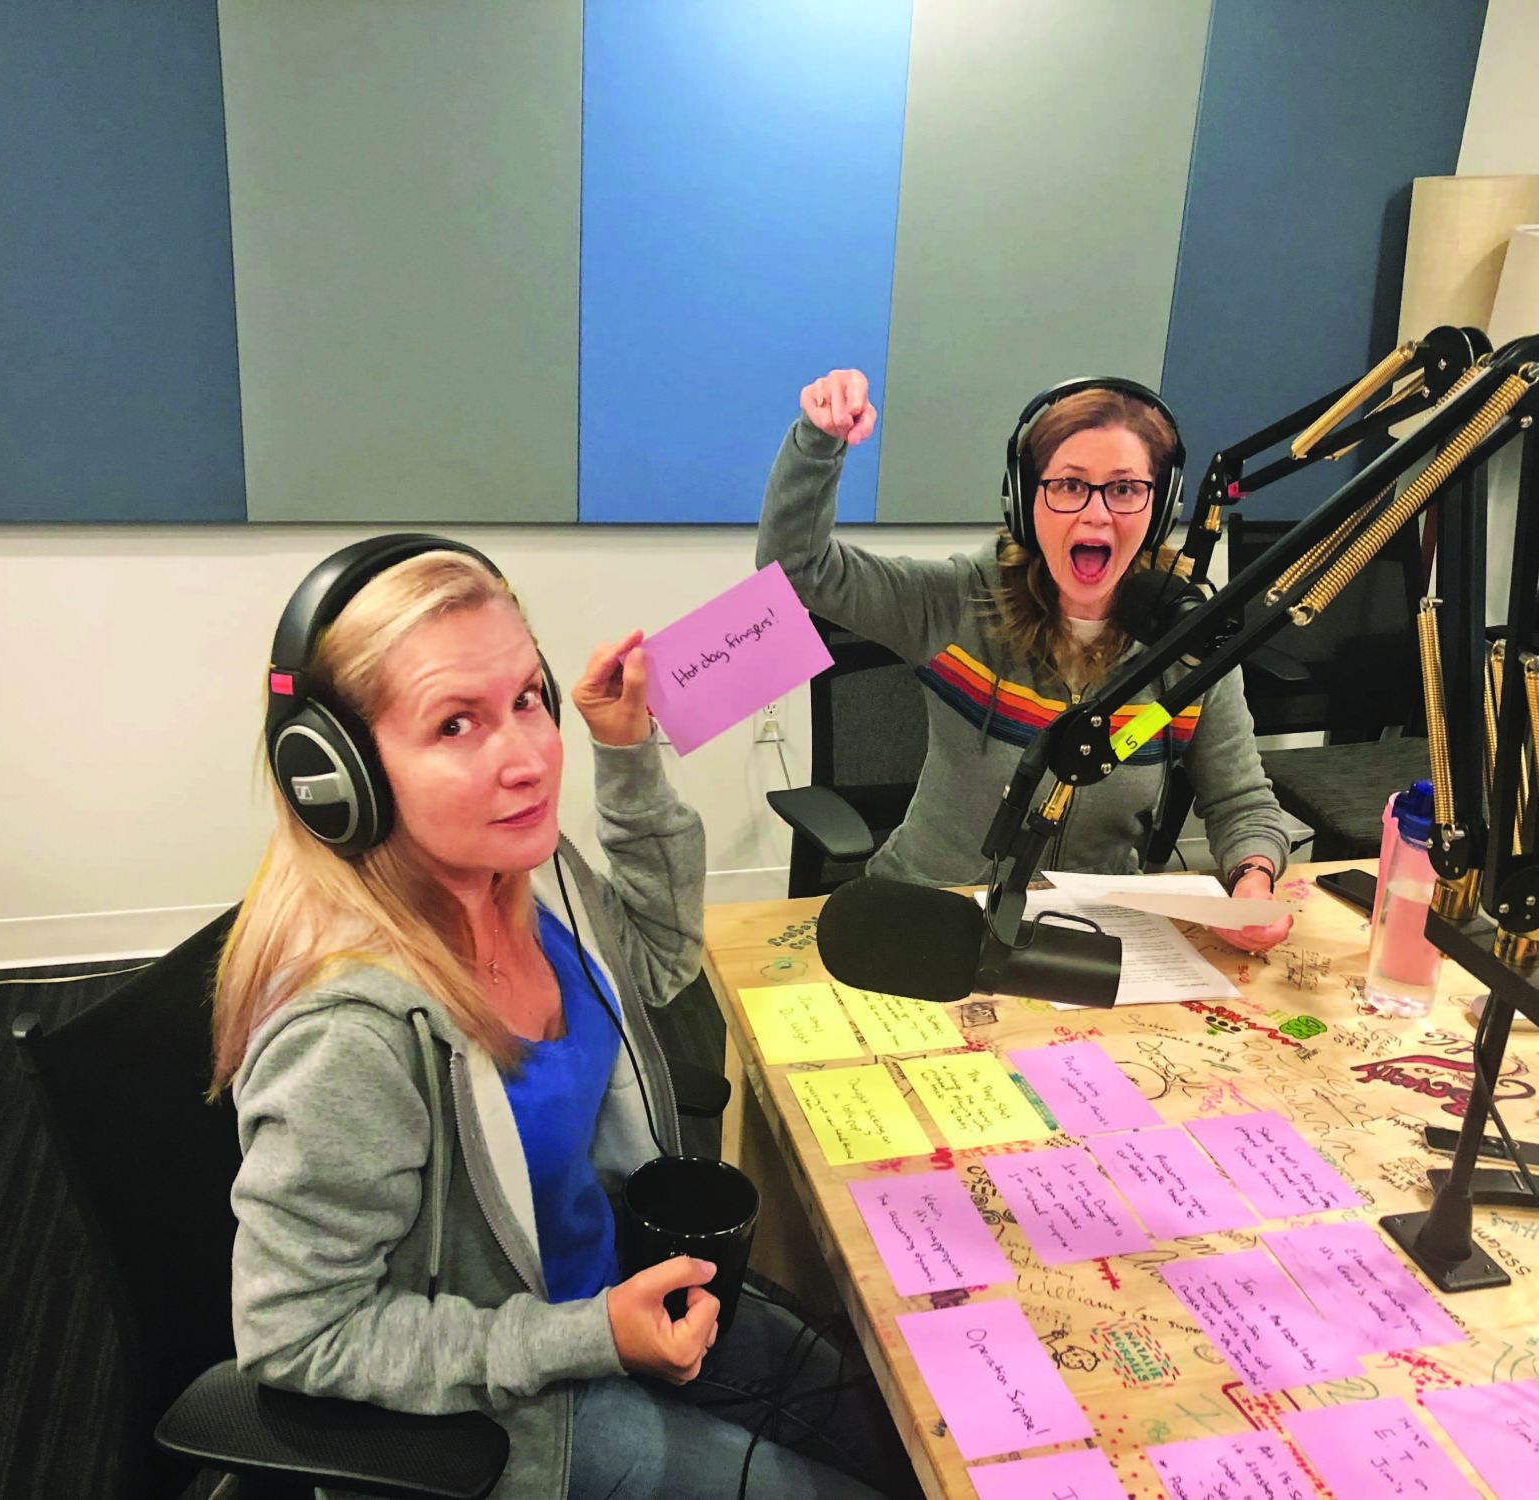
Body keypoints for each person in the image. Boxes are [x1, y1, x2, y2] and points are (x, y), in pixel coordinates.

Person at [213, 540, 915, 1500]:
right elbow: (298, 1333)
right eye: (455, 724)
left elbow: (661, 958)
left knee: (898, 1427)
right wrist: (591, 1339)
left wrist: (627, 756)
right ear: (337, 774)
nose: (527, 760)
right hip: (506, 1403)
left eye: (526, 701)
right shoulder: (351, 1035)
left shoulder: (527, 878)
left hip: (612, 1279)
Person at [758, 370, 1292, 952]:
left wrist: (1253, 883)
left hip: (1089, 934)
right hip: (932, 915)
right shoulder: (957, 602)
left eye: (1124, 488)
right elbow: (797, 571)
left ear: (1159, 505)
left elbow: (1241, 801)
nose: (1096, 515)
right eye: (1067, 485)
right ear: (1025, 499)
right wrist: (819, 441)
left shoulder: (1192, 638)